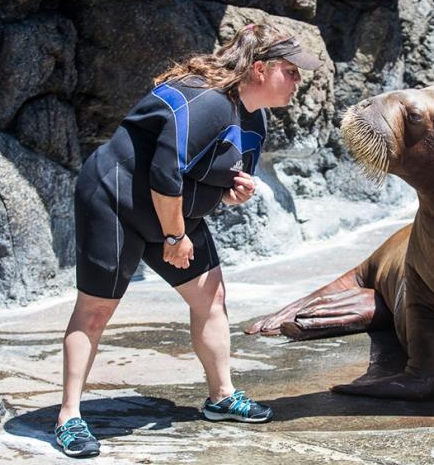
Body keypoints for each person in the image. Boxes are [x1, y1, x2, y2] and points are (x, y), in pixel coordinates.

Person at [54, 23, 323, 458]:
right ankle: (69, 417)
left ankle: (221, 397)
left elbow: (215, 175)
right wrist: (175, 236)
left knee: (211, 298)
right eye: (290, 71)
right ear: (259, 69)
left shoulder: (255, 119)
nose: (297, 81)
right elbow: (165, 173)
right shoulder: (209, 102)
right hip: (115, 199)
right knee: (95, 310)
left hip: (172, 211)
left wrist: (233, 193)